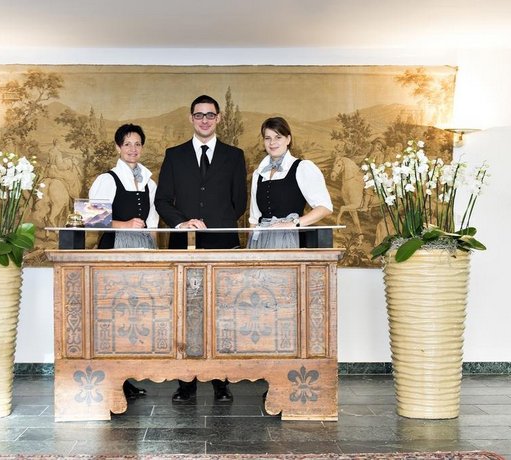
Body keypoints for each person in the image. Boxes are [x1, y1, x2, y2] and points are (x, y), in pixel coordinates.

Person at [154, 94, 247, 403]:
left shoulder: (234, 156)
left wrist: (212, 224)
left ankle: (221, 381)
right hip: (184, 246)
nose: (204, 120)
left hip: (222, 244)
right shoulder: (174, 155)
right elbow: (162, 201)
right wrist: (184, 223)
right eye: (199, 115)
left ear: (218, 118)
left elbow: (239, 202)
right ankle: (186, 383)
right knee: (184, 313)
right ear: (191, 118)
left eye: (210, 114)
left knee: (223, 313)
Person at [88, 123, 159, 399]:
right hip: (115, 249)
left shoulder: (149, 182)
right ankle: (112, 379)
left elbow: (153, 224)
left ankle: (126, 377)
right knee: (113, 314)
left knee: (136, 316)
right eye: (127, 144)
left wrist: (154, 255)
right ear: (118, 147)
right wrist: (125, 224)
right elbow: (91, 218)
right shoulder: (107, 179)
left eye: (137, 144)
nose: (133, 149)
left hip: (143, 250)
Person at [248, 117, 332, 249]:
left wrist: (293, 224)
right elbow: (254, 218)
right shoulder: (258, 173)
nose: (272, 142)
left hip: (289, 239)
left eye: (278, 137)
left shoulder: (302, 167)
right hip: (260, 240)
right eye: (267, 138)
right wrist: (250, 249)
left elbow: (325, 207)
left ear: (288, 139)